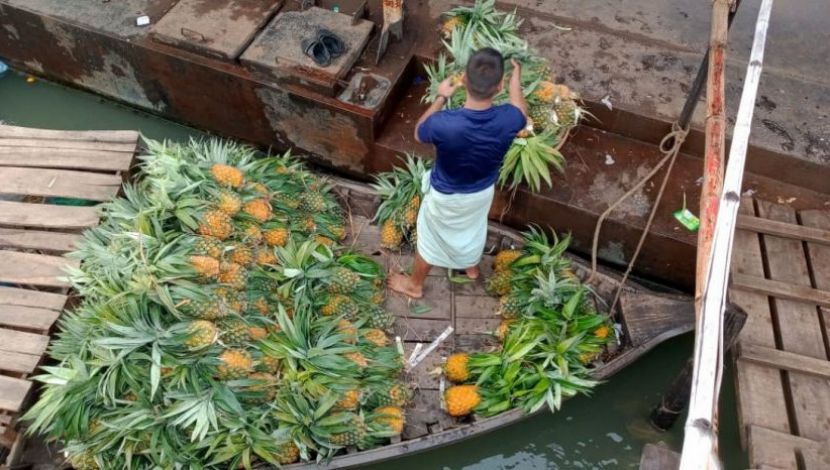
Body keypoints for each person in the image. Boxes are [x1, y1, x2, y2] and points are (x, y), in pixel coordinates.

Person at [388, 47, 528, 299]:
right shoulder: (509, 119)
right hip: (482, 192)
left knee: (430, 238)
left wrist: (441, 97)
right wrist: (516, 77)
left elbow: (419, 132)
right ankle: (470, 266)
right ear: (499, 87)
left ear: (463, 80)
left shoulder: (445, 123)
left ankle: (415, 285)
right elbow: (520, 109)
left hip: (446, 195)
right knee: (472, 229)